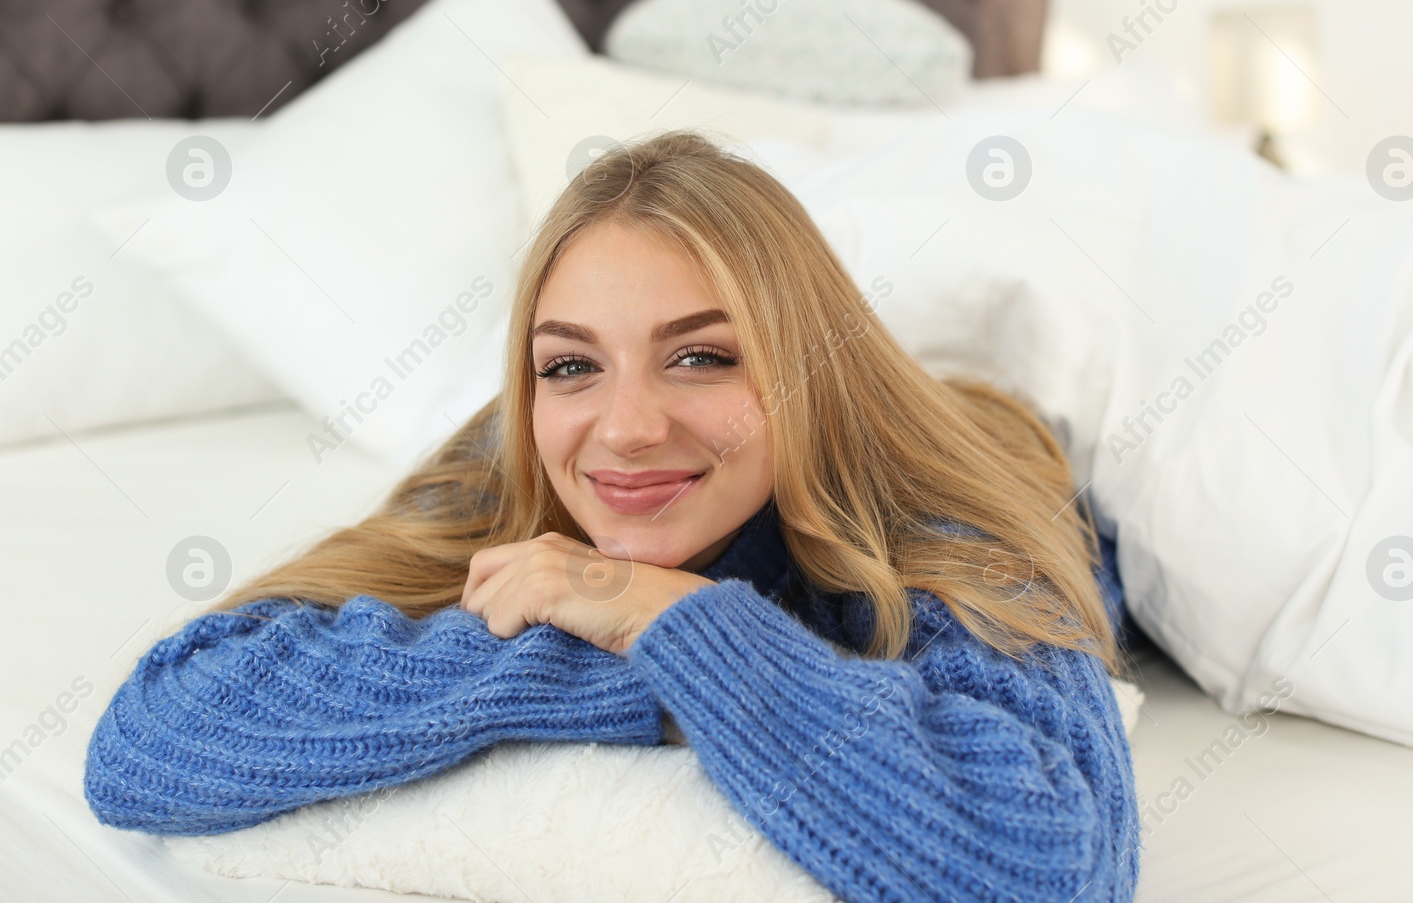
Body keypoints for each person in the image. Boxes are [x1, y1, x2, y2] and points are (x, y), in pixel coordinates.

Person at [84, 131, 1141, 901]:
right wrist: (616, 652)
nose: (624, 427)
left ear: (800, 366)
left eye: (702, 354)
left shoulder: (951, 517)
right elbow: (146, 740)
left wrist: (665, 618)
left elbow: (1047, 866)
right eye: (571, 363)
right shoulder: (513, 468)